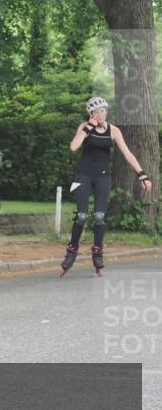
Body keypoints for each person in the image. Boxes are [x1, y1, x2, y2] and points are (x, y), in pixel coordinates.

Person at [59, 96, 153, 277]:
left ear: (106, 111)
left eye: (102, 111)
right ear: (91, 114)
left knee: (100, 217)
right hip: (83, 176)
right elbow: (73, 146)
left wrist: (142, 175)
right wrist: (88, 128)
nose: (100, 114)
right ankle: (72, 251)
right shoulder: (84, 127)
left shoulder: (114, 131)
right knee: (81, 216)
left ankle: (98, 254)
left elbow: (128, 154)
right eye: (96, 112)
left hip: (103, 177)